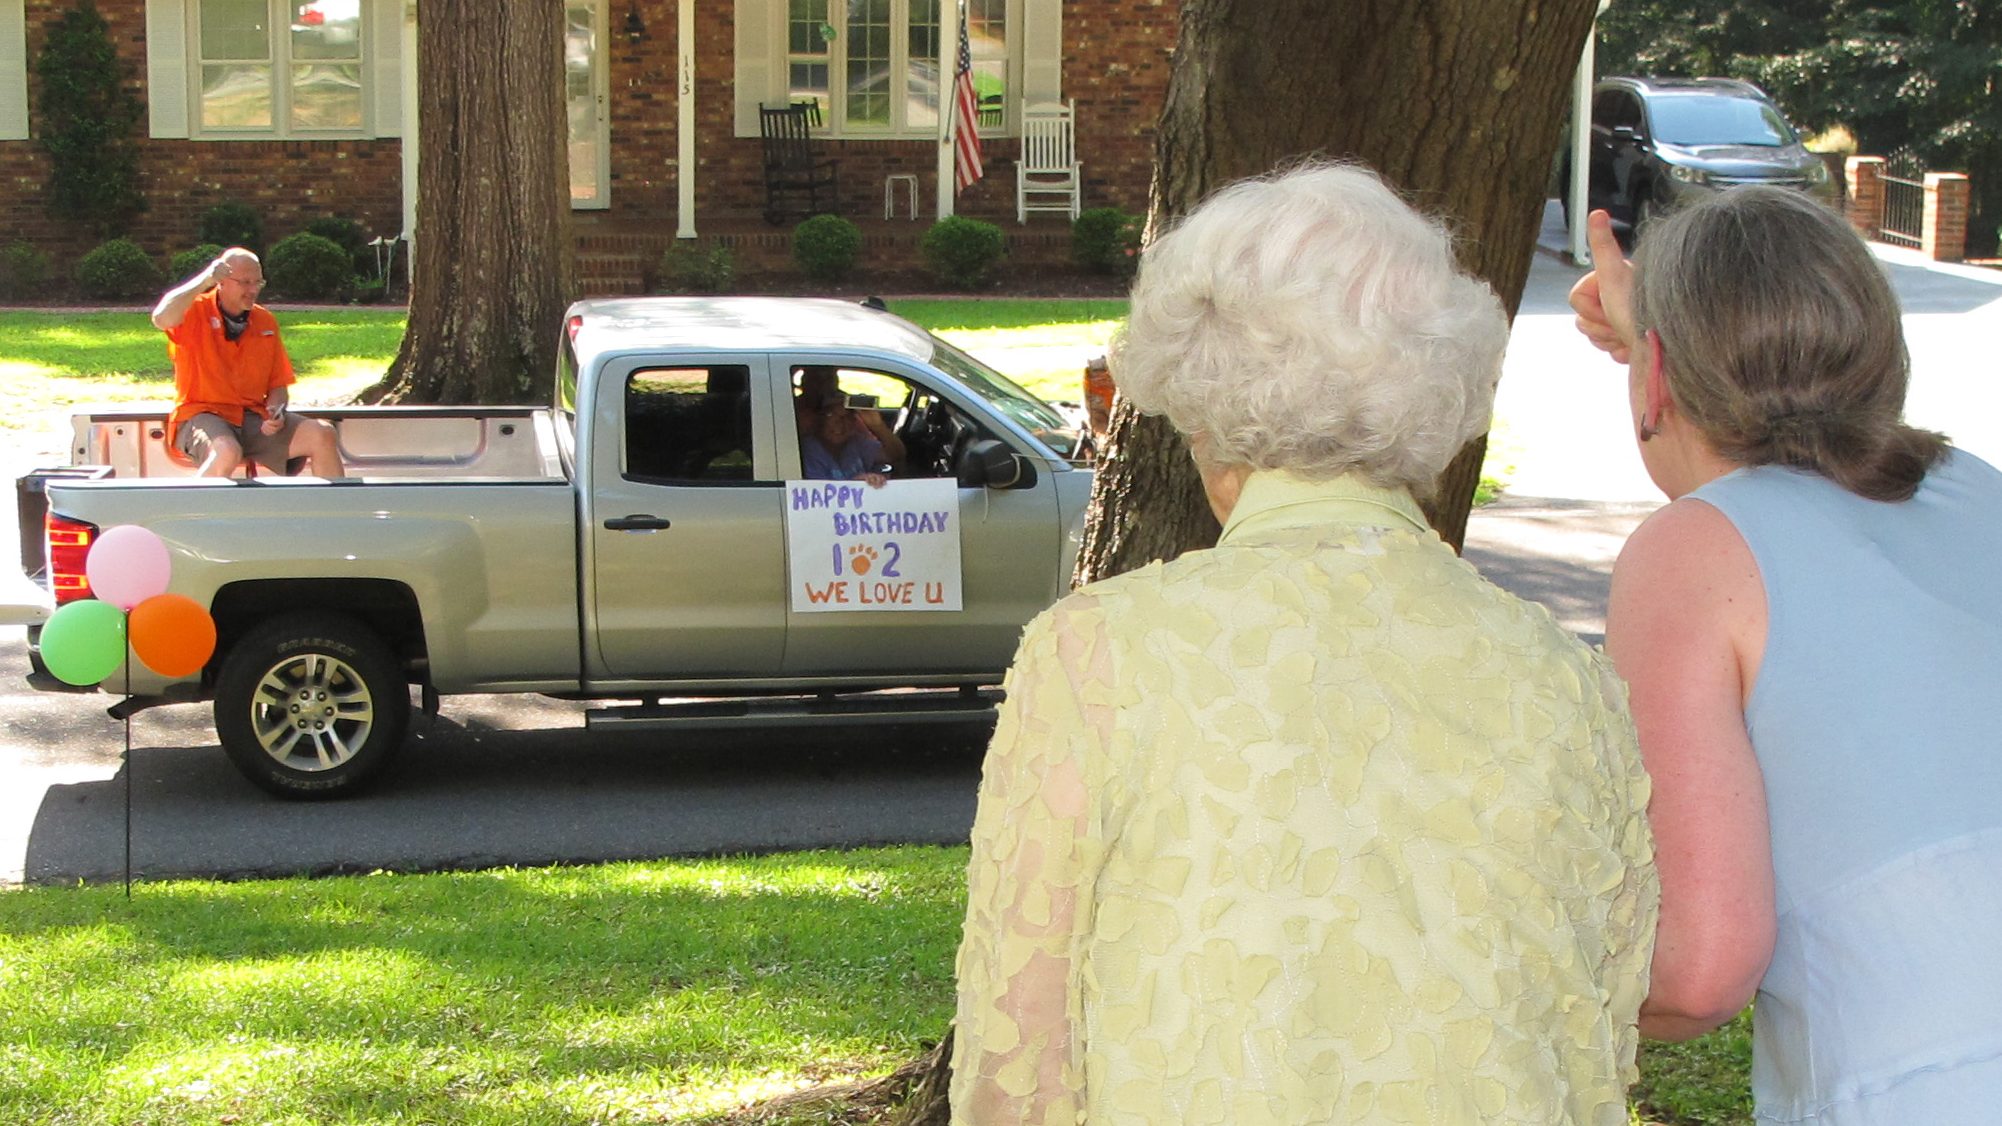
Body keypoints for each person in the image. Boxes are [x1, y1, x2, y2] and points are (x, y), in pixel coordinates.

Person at [951, 162, 1659, 1124]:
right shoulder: (1566, 678)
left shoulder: (1096, 656)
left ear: (1200, 405)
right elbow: (1597, 1035)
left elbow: (1019, 1062)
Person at [1571, 187, 2002, 1123]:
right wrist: (1659, 335)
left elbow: (1698, 973)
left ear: (1654, 376)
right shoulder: (1980, 491)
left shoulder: (1695, 552)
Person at [151, 247, 342, 478]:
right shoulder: (194, 310)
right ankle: (189, 502)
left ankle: (334, 502)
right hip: (201, 414)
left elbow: (278, 385)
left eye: (258, 282)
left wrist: (276, 412)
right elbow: (161, 318)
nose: (253, 290)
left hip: (252, 418)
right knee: (227, 452)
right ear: (221, 281)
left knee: (323, 434)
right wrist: (205, 280)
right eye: (245, 282)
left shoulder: (265, 321)